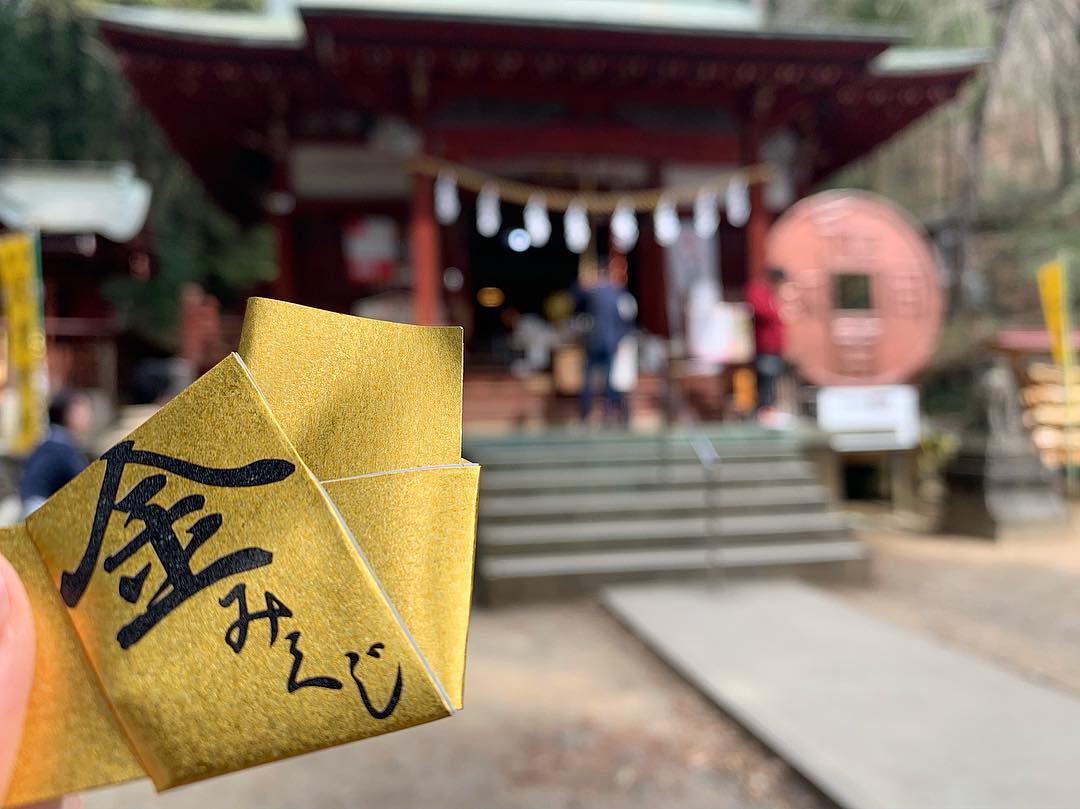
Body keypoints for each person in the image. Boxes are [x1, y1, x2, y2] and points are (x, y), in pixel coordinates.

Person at [18, 390, 92, 517]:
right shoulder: (63, 447)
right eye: (83, 412)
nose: (88, 418)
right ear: (68, 414)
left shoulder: (48, 439)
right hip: (42, 513)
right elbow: (88, 484)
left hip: (28, 508)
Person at [574, 264, 632, 424]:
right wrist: (618, 339)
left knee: (588, 378)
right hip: (609, 341)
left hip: (595, 341)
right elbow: (624, 321)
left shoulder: (593, 291)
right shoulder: (616, 293)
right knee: (608, 378)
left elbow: (576, 300)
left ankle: (585, 413)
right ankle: (608, 411)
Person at [746, 266, 788, 427]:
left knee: (772, 380)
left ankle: (770, 410)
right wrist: (778, 312)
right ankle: (763, 412)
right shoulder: (759, 291)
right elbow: (762, 311)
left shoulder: (771, 294)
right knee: (765, 380)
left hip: (775, 347)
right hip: (765, 346)